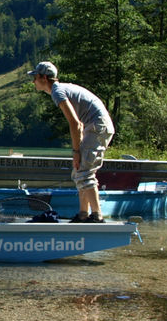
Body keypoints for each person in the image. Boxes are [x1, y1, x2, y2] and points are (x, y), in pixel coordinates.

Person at [28, 61, 115, 223]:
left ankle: (97, 216)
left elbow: (75, 123)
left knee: (84, 172)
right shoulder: (60, 89)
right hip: (96, 126)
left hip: (97, 126)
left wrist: (76, 152)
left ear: (44, 77)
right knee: (79, 171)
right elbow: (79, 125)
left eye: (35, 77)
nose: (33, 81)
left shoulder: (57, 92)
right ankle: (83, 214)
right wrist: (79, 153)